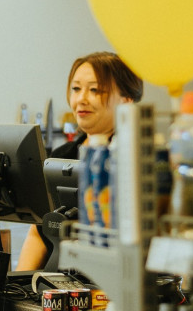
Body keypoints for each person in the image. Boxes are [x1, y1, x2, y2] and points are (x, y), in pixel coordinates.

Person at [16, 51, 143, 271]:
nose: (81, 99)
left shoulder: (140, 160)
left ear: (126, 99)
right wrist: (16, 286)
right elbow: (39, 233)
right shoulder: (61, 156)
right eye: (76, 89)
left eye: (95, 90)